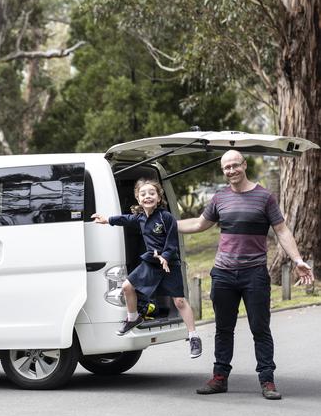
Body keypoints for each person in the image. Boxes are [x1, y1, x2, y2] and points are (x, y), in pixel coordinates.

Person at [178, 149, 314, 400]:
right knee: (223, 328)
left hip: (254, 274)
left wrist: (297, 259)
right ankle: (219, 378)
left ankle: (267, 380)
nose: (231, 171)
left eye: (234, 165)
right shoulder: (220, 198)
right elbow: (198, 224)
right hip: (224, 274)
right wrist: (164, 223)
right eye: (226, 168)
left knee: (260, 329)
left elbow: (282, 231)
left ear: (244, 165)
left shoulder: (264, 197)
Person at [92, 179, 202, 358]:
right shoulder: (141, 217)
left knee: (179, 301)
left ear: (159, 197)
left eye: (152, 193)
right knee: (127, 287)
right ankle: (133, 317)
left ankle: (193, 336)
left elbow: (172, 242)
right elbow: (125, 219)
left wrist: (165, 257)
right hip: (150, 263)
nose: (147, 196)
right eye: (143, 194)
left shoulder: (166, 217)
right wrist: (107, 220)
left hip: (169, 265)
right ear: (138, 198)